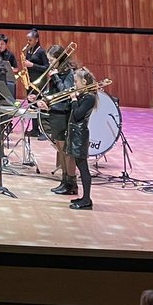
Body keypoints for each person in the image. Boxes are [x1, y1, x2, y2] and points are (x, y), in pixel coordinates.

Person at [34, 44, 78, 196]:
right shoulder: (57, 72)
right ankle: (64, 180)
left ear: (60, 58)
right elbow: (53, 93)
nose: (50, 62)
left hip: (65, 114)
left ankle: (71, 182)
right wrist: (42, 100)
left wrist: (56, 77)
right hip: (55, 112)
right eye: (49, 59)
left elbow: (66, 92)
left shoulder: (69, 73)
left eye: (52, 59)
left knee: (67, 152)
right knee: (60, 150)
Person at [61, 66, 98, 210]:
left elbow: (77, 114)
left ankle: (87, 199)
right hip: (75, 134)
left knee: (83, 168)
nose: (74, 84)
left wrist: (74, 99)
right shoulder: (84, 96)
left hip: (80, 135)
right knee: (80, 166)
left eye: (76, 81)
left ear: (84, 82)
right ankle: (84, 197)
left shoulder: (89, 97)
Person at [21, 29, 49, 137]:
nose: (28, 42)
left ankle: (43, 130)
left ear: (36, 40)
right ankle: (35, 129)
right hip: (30, 81)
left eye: (30, 40)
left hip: (40, 82)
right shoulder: (28, 50)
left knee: (40, 105)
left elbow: (46, 68)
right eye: (27, 40)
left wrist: (32, 65)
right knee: (32, 105)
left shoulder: (41, 51)